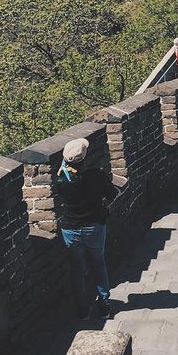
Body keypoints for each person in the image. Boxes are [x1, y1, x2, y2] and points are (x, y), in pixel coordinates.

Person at [55, 137, 119, 319]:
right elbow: (112, 194)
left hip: (70, 229)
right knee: (98, 264)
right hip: (94, 227)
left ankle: (83, 311)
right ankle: (104, 305)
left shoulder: (60, 180)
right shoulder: (96, 176)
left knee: (77, 269)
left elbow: (69, 177)